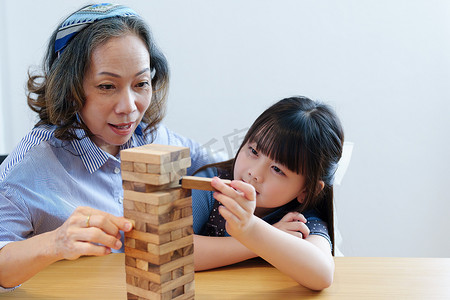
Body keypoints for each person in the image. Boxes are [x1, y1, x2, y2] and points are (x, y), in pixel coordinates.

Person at [0, 3, 217, 290]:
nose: (129, 108)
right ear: (71, 88)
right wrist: (55, 242)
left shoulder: (153, 137)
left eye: (140, 84)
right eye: (106, 87)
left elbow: (220, 169)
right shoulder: (30, 165)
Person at [191, 96, 344, 290]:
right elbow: (176, 251)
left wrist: (251, 229)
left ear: (307, 190)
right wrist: (250, 238)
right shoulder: (211, 186)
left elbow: (321, 275)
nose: (254, 173)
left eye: (278, 169)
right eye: (254, 151)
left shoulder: (301, 218)